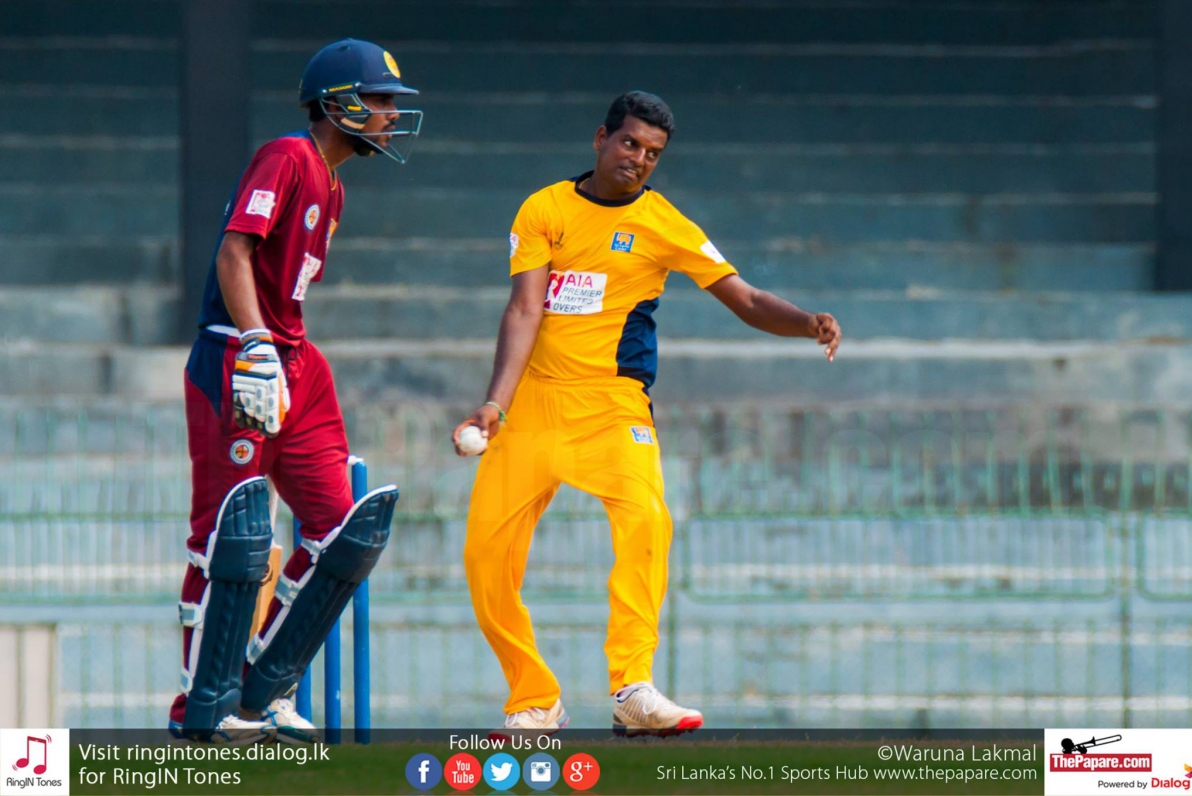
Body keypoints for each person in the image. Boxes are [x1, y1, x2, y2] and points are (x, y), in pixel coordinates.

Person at [453, 91, 842, 737]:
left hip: (613, 406)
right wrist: (496, 402)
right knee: (483, 557)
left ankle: (632, 687)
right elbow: (524, 308)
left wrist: (807, 323)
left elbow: (745, 299)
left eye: (653, 153)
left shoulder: (664, 224)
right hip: (533, 408)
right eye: (630, 143)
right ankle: (534, 699)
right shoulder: (544, 208)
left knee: (647, 520)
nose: (638, 159)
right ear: (601, 138)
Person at [169, 38, 421, 744]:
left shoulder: (333, 186)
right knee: (230, 537)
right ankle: (200, 705)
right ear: (337, 103)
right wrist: (255, 344)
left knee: (342, 534)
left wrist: (279, 352)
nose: (391, 114)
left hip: (297, 361)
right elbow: (233, 251)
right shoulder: (286, 155)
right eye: (379, 100)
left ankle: (263, 690)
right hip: (239, 355)